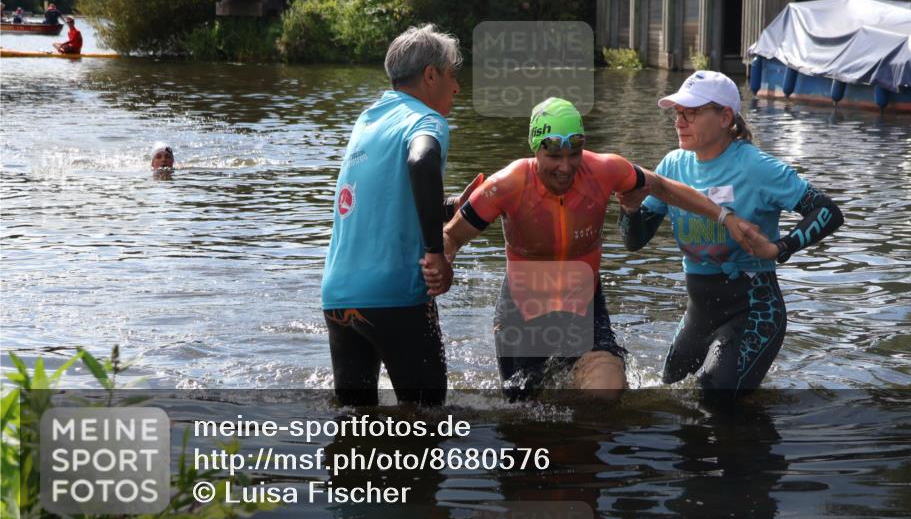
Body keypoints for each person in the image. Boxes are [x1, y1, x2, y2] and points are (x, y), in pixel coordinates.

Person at [432, 97, 758, 401]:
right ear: (535, 150)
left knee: (605, 389)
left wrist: (724, 217)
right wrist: (441, 262)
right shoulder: (506, 185)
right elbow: (451, 237)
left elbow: (661, 186)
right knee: (525, 410)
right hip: (523, 309)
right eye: (553, 156)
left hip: (583, 302)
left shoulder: (604, 170)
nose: (565, 167)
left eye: (573, 153)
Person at [618, 70, 843, 398]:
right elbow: (634, 241)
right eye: (677, 113)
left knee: (716, 401)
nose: (679, 121)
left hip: (753, 309)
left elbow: (827, 211)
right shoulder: (672, 166)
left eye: (691, 113)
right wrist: (630, 208)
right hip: (699, 314)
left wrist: (780, 248)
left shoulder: (756, 167)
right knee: (669, 396)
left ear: (725, 117)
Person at [321, 23, 467, 408]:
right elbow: (422, 159)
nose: (456, 88)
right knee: (429, 419)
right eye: (453, 76)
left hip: (338, 298)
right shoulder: (426, 120)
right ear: (431, 75)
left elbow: (389, 201)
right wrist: (436, 251)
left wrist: (455, 205)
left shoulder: (367, 120)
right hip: (394, 297)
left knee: (354, 426)